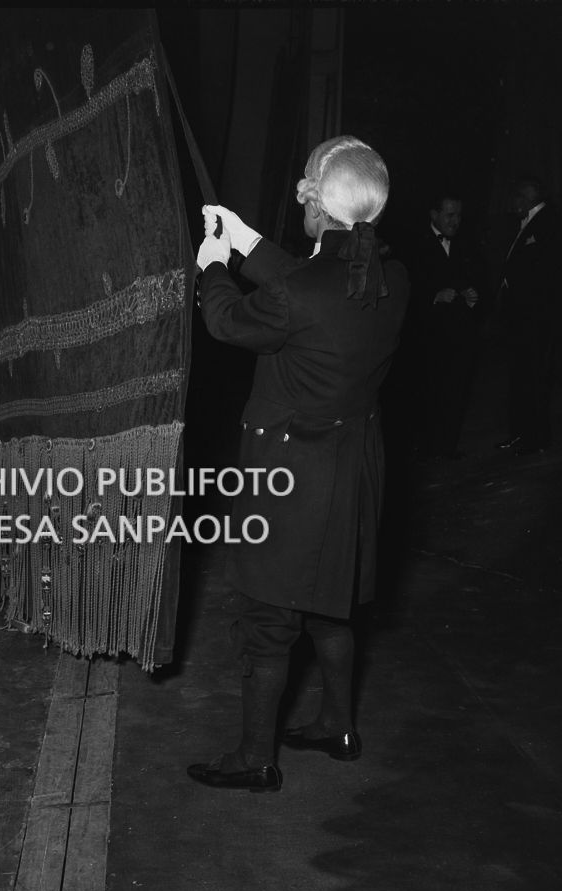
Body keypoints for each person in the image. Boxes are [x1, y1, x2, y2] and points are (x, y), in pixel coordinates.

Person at [186, 135, 409, 791]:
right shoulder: (390, 275)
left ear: (315, 201)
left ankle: (255, 758)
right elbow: (310, 287)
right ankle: (337, 725)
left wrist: (213, 265)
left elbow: (229, 322)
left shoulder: (301, 293)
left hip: (292, 478)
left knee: (268, 618)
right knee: (330, 608)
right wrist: (245, 239)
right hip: (352, 472)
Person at [402, 190, 484, 459]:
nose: (455, 221)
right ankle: (422, 448)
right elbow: (404, 288)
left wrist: (473, 295)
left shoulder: (468, 243)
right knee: (426, 393)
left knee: (455, 392)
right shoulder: (414, 245)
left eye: (458, 215)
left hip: (460, 336)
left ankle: (446, 447)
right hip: (426, 337)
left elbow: (481, 279)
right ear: (434, 215)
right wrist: (433, 296)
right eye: (449, 215)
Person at [495, 175, 561, 455]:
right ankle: (521, 435)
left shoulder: (549, 222)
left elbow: (548, 272)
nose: (515, 200)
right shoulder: (523, 222)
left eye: (520, 194)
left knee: (533, 376)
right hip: (521, 317)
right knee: (521, 375)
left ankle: (536, 438)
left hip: (534, 318)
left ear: (532, 194)